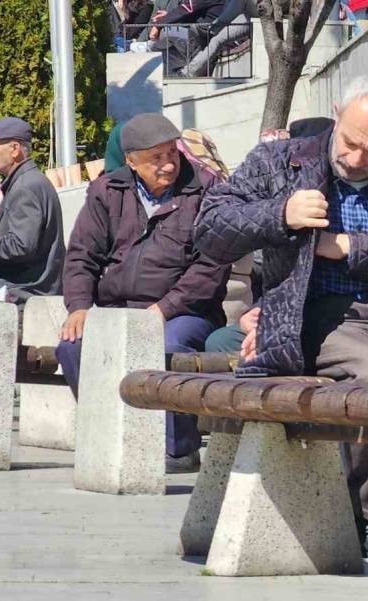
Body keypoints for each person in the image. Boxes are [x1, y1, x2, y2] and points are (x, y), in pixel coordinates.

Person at [194, 74, 368, 559]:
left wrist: (349, 246)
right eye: (351, 142)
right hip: (320, 316)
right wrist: (279, 213)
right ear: (336, 113)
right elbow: (210, 229)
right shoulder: (279, 163)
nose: (356, 158)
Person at [58, 113, 230, 473]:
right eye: (156, 158)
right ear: (132, 161)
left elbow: (210, 268)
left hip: (185, 312)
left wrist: (163, 309)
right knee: (73, 346)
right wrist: (79, 307)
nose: (167, 165)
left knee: (167, 345)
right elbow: (81, 255)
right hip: (117, 307)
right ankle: (108, 433)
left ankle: (178, 448)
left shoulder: (204, 191)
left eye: (172, 154)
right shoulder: (108, 191)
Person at [0, 116, 65, 304]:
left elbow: (20, 246)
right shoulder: (26, 183)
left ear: (14, 149)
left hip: (22, 296)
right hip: (23, 294)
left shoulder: (25, 187)